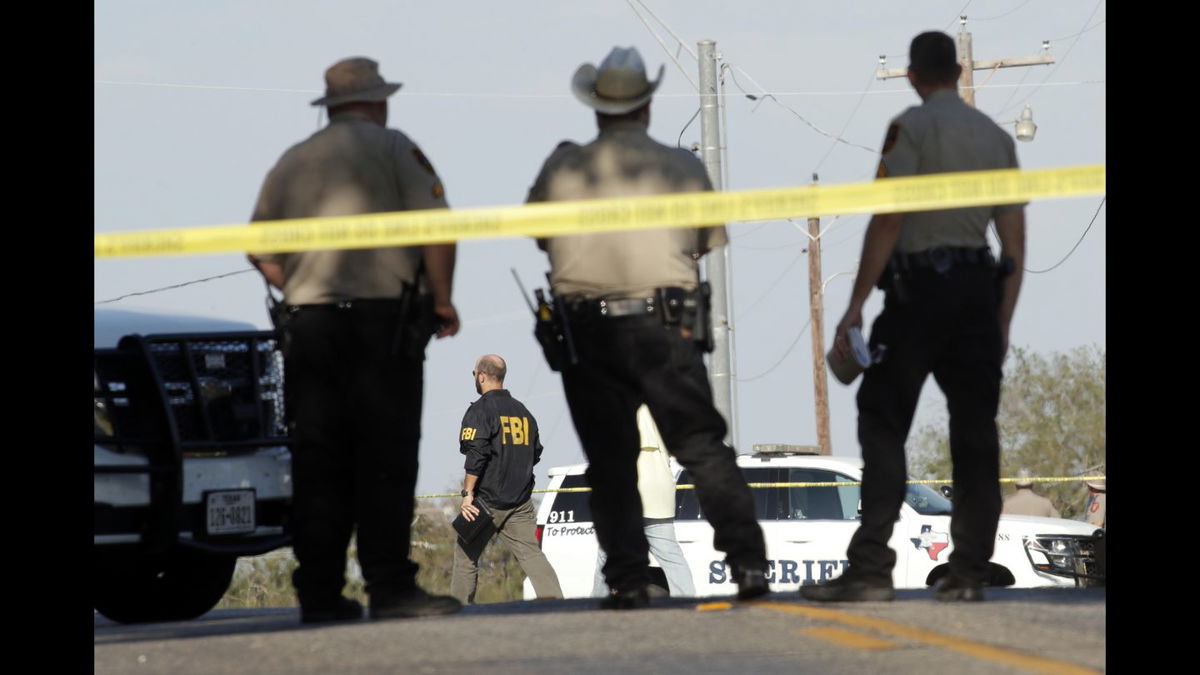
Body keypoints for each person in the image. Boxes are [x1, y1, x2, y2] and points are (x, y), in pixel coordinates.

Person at [526, 46, 769, 609]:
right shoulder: (682, 166)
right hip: (666, 328)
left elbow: (541, 235)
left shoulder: (563, 167)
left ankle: (629, 579)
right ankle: (749, 567)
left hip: (590, 329)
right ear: (647, 106)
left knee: (610, 460)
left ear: (594, 108)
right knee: (703, 448)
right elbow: (705, 243)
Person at [800, 31, 1026, 604]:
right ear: (957, 70)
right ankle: (970, 570)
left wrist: (855, 305)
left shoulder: (911, 128)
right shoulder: (997, 138)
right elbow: (1014, 242)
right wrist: (1002, 322)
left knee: (882, 420)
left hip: (917, 294)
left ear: (913, 76)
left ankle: (873, 566)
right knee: (975, 434)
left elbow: (889, 219)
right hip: (977, 294)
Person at [247, 57, 462, 622]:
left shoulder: (292, 161)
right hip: (380, 325)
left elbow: (259, 248)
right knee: (385, 455)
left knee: (319, 460)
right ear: (378, 101)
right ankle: (389, 587)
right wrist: (441, 299)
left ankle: (318, 593)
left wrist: (298, 287)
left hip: (310, 328)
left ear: (331, 105)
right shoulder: (395, 148)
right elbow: (438, 227)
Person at [452, 355, 564, 604]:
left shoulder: (480, 410)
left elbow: (476, 454)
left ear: (481, 375)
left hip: (486, 501)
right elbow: (535, 452)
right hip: (520, 501)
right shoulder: (524, 412)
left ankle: (459, 612)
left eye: (474, 374)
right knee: (532, 555)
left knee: (465, 556)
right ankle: (557, 603)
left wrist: (468, 494)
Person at [592, 405, 696, 599]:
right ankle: (686, 598)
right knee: (672, 557)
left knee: (607, 552)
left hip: (629, 490)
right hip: (660, 491)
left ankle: (598, 600)